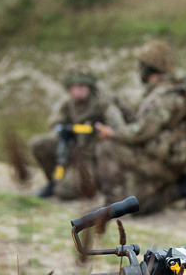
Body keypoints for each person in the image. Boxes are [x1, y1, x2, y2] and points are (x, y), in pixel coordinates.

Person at [94, 40, 186, 215]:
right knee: (140, 207)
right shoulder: (183, 89)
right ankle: (180, 188)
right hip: (182, 162)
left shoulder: (162, 96)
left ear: (147, 68)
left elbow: (141, 133)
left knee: (106, 147)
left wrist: (111, 133)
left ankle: (111, 205)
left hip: (162, 163)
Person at [29, 72, 126, 200]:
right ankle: (53, 181)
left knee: (65, 192)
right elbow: (54, 123)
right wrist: (64, 130)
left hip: (92, 158)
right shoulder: (68, 104)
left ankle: (97, 185)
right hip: (73, 151)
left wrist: (102, 132)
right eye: (72, 87)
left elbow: (119, 130)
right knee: (38, 143)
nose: (76, 91)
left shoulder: (103, 105)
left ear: (89, 88)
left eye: (81, 87)